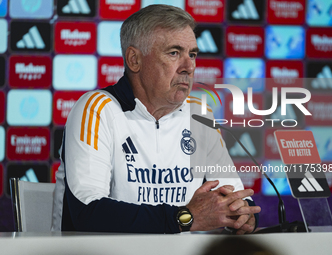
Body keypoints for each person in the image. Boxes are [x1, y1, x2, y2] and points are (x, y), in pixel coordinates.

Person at [51, 4, 261, 234]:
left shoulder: (199, 114)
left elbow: (232, 198)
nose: (189, 67)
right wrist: (185, 218)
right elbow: (87, 212)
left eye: (192, 54)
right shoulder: (97, 110)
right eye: (174, 53)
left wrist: (242, 216)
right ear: (134, 60)